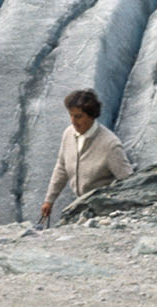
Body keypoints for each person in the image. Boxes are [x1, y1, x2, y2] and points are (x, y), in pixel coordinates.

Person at [39, 89, 132, 224]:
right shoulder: (68, 134)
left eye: (78, 116)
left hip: (104, 213)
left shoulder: (110, 145)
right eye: (71, 115)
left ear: (92, 116)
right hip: (81, 207)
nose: (73, 121)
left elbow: (129, 181)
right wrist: (49, 200)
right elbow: (61, 168)